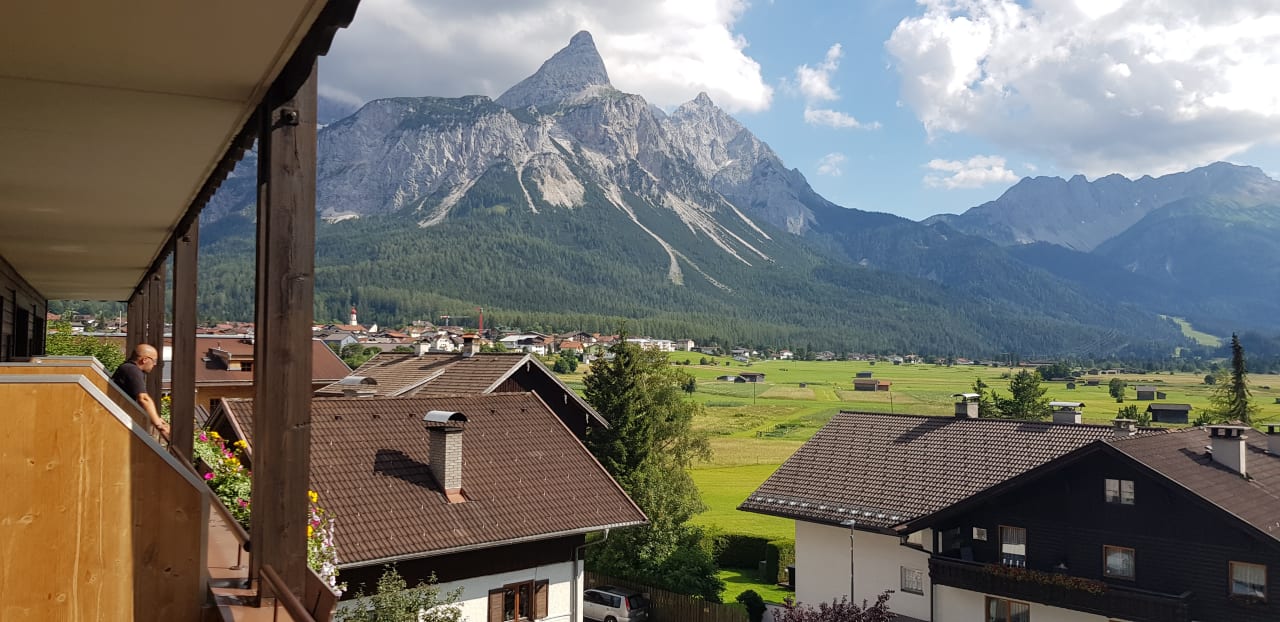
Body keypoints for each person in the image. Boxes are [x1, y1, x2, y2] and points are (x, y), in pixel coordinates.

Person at [112, 343, 170, 439]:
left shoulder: (126, 368)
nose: (155, 364)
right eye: (154, 361)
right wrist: (160, 426)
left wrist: (157, 418)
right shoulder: (132, 370)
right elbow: (143, 399)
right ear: (145, 360)